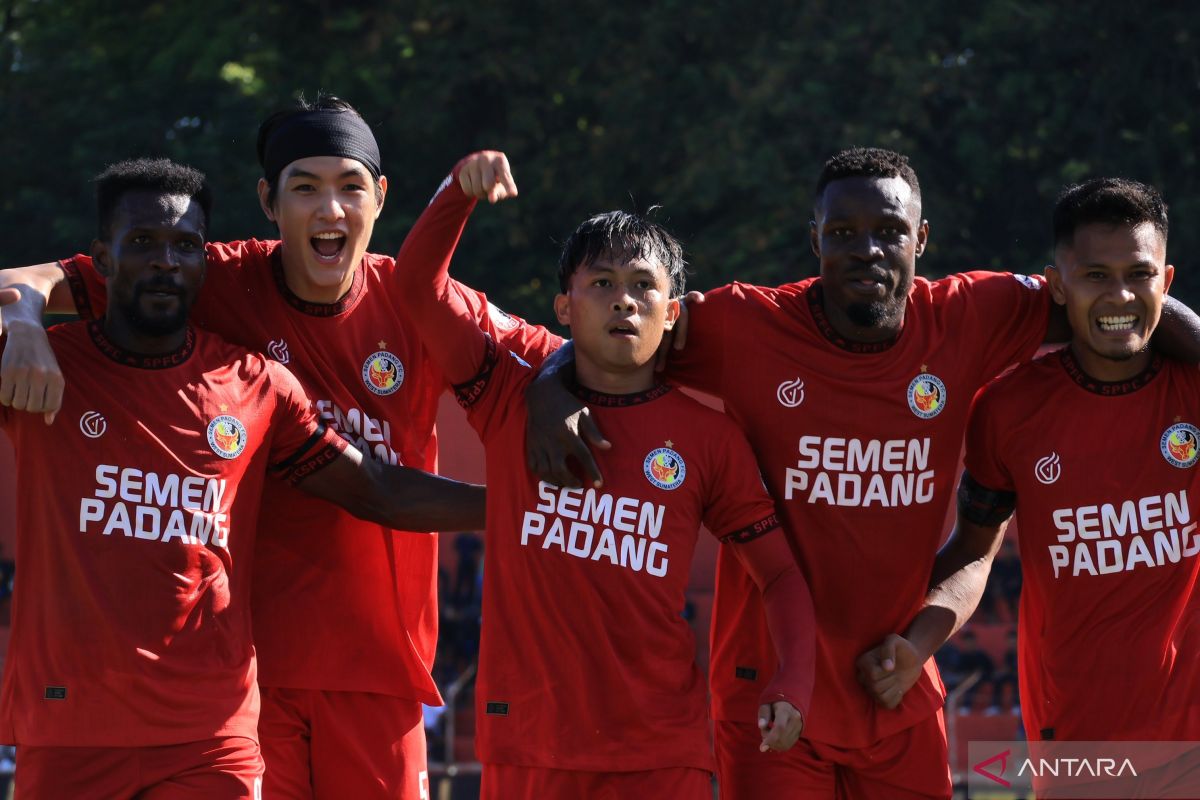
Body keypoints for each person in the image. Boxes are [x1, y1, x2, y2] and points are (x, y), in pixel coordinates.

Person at [526, 148, 1200, 799]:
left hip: (898, 692)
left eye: (889, 232)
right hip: (775, 693)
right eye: (844, 232)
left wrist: (918, 644)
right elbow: (622, 335)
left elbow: (1114, 301)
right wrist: (549, 385)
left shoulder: (974, 316)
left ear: (922, 239)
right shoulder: (744, 326)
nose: (868, 250)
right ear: (813, 237)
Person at [0, 96, 560, 799]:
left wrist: (555, 407)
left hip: (377, 664)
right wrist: (22, 323)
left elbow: (558, 357)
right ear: (269, 200)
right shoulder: (209, 277)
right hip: (244, 676)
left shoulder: (413, 298)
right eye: (305, 188)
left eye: (350, 186)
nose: (329, 210)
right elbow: (30, 281)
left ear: (380, 198)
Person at [395, 151, 815, 799]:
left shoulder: (709, 439)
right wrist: (458, 189)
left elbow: (781, 573)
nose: (625, 301)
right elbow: (416, 284)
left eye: (644, 286)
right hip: (528, 743)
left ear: (672, 314)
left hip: (662, 751)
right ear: (564, 307)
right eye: (602, 284)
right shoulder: (506, 393)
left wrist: (792, 681)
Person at [873, 178, 1200, 760]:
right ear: (1055, 285)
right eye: (1096, 276)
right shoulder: (1008, 409)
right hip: (1078, 733)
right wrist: (915, 641)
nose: (1120, 297)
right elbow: (974, 551)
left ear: (1167, 281)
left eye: (1139, 274)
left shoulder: (1193, 389)